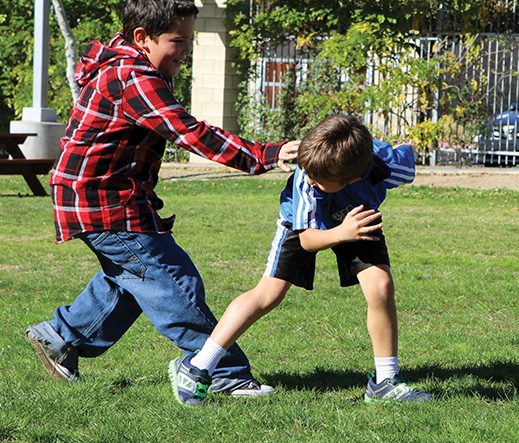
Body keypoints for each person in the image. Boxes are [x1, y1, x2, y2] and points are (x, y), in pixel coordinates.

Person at [25, 0, 299, 398]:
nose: (186, 51)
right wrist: (265, 154)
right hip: (104, 201)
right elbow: (188, 132)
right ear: (142, 37)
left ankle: (62, 338)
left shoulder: (131, 64)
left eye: (190, 40)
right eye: (178, 41)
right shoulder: (132, 76)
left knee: (133, 277)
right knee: (172, 279)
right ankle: (221, 373)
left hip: (104, 196)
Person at [169, 114, 432, 405]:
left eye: (318, 181)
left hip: (357, 216)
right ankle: (197, 368)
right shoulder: (307, 176)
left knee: (380, 286)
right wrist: (341, 232)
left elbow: (407, 161)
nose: (308, 179)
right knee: (269, 294)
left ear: (353, 178)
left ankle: (385, 382)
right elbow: (308, 239)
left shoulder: (386, 165)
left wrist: (409, 147)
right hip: (302, 222)